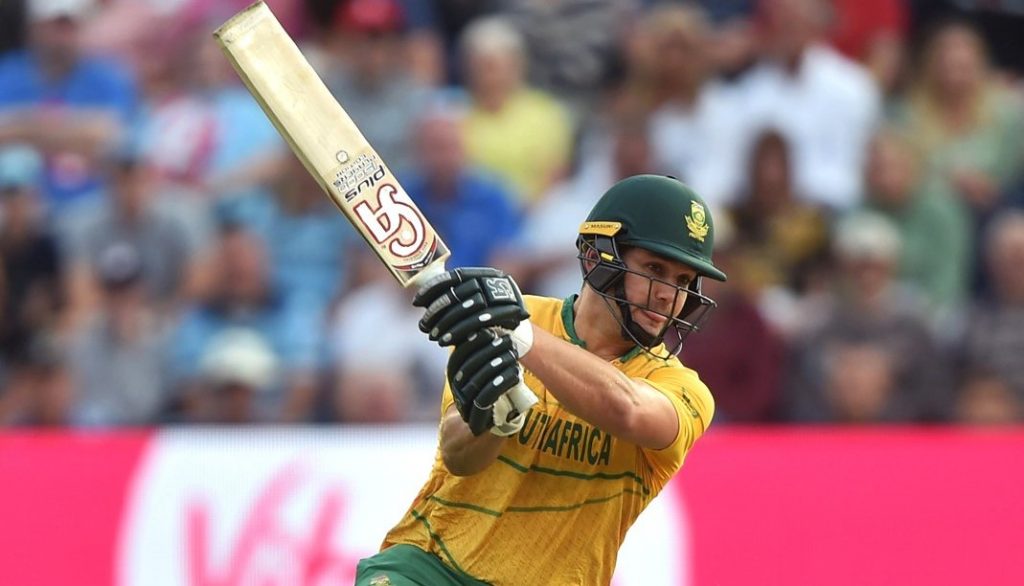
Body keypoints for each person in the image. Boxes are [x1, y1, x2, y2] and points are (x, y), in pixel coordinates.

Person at [355, 175, 726, 585]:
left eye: (683, 281)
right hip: (431, 566)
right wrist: (494, 418)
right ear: (596, 257)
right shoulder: (511, 316)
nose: (669, 295)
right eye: (655, 269)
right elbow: (458, 457)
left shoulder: (683, 390)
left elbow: (629, 409)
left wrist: (519, 334)